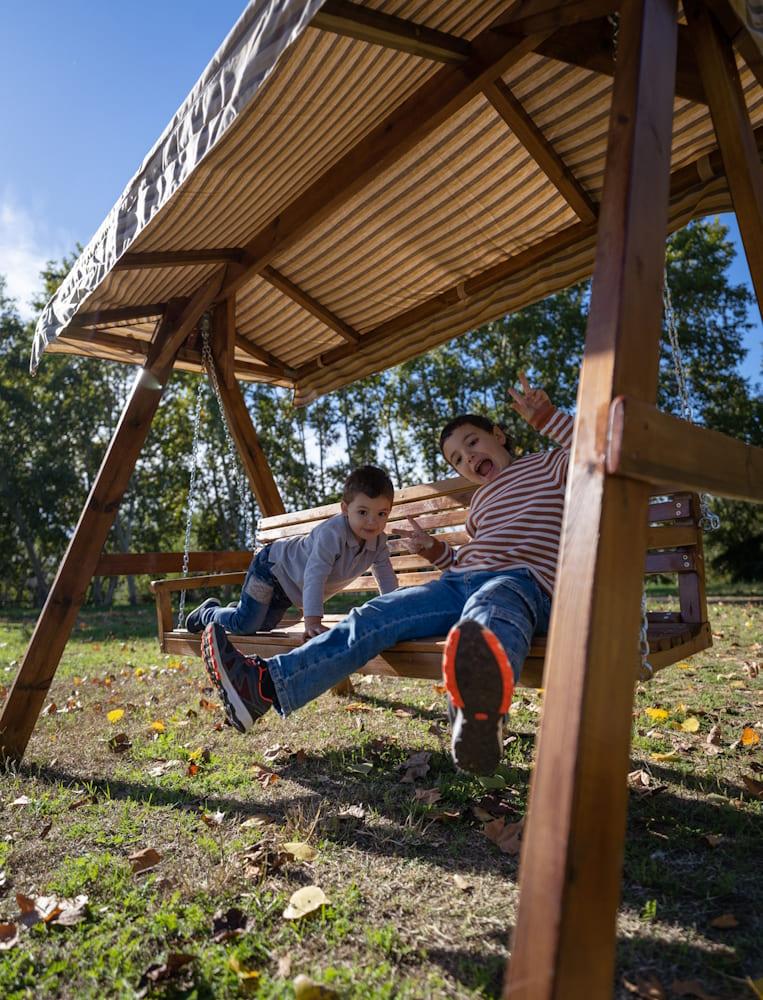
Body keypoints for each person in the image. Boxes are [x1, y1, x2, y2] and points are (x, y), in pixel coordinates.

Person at [201, 374, 573, 776]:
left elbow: (602, 452)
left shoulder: (549, 466)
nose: (467, 458)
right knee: (374, 613)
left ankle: (478, 712)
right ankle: (264, 687)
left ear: (499, 435)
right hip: (458, 583)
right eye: (456, 459)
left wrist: (549, 418)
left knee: (490, 608)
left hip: (521, 583)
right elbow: (470, 559)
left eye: (472, 443)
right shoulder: (480, 503)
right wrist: (435, 551)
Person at [186, 465, 398, 641]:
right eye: (363, 512)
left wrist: (396, 611)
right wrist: (313, 621)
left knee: (265, 625)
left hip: (289, 590)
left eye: (381, 514)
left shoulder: (378, 542)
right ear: (344, 509)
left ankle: (243, 609)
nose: (372, 522)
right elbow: (314, 576)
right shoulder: (331, 535)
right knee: (245, 625)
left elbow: (386, 576)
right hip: (271, 568)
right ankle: (208, 612)